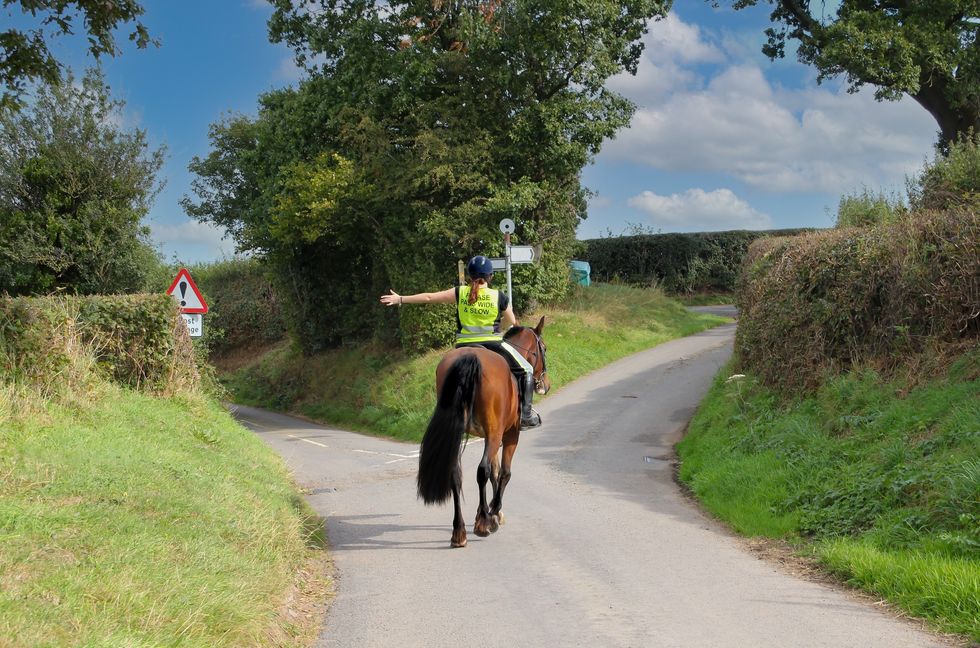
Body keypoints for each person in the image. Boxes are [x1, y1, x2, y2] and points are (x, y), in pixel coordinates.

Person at [380, 255, 542, 429]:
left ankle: (444, 414)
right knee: (527, 368)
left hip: (464, 345)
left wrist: (401, 299)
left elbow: (429, 298)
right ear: (490, 276)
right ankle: (525, 415)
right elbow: (511, 322)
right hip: (493, 343)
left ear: (470, 276)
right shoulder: (498, 296)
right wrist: (502, 325)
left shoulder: (460, 292)